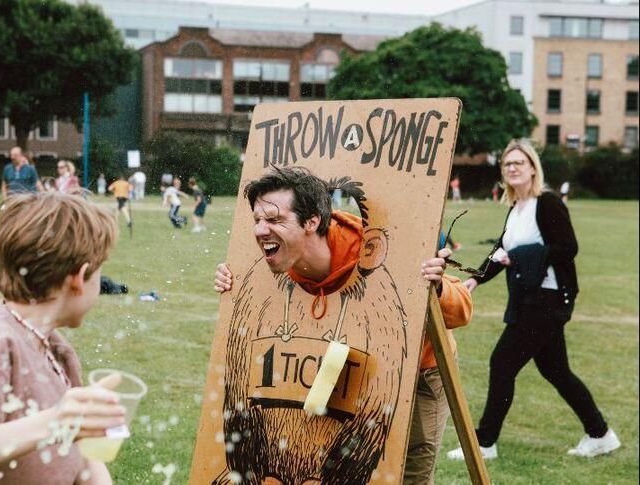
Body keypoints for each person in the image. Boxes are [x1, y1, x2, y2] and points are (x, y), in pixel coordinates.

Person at [213, 166, 472, 484]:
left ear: (311, 222)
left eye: (275, 220)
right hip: (339, 362)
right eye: (257, 220)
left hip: (416, 369)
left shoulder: (375, 250)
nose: (260, 231)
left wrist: (437, 286)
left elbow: (462, 310)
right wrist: (233, 282)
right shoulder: (279, 261)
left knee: (409, 474)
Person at [0, 191, 124, 484]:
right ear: (79, 278)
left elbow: (82, 457)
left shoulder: (57, 350)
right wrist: (58, 420)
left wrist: (79, 425)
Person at [447, 139, 620, 461]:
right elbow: (500, 252)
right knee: (556, 371)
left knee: (501, 363)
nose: (512, 167)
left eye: (519, 163)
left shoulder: (548, 203)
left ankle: (484, 443)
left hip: (547, 301)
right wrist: (475, 278)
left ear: (532, 169)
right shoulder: (516, 209)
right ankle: (601, 434)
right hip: (529, 300)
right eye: (508, 164)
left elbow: (568, 248)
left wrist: (521, 256)